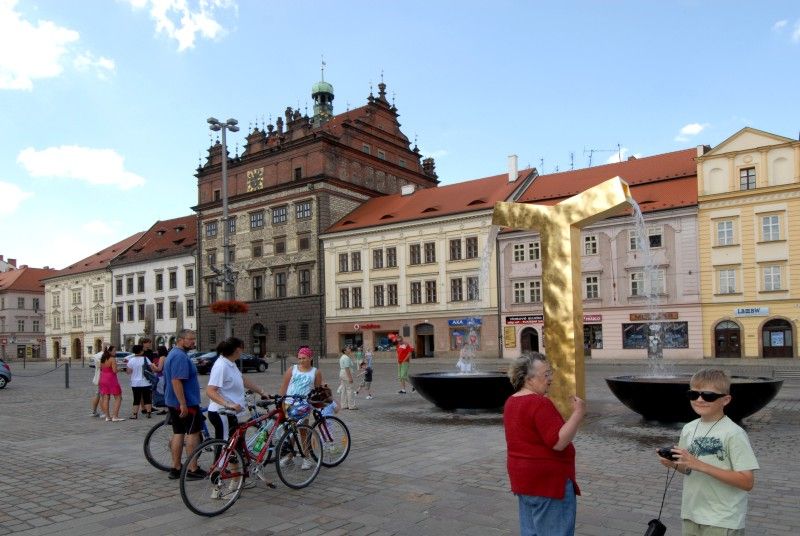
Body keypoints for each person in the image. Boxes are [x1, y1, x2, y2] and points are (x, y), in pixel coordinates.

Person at [657, 368, 759, 535]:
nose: (700, 400)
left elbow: (747, 482)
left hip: (723, 519)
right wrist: (672, 463)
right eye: (693, 395)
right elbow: (688, 468)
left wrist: (700, 465)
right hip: (691, 514)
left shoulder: (734, 433)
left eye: (708, 396)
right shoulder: (689, 428)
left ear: (725, 400)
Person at [504, 352, 585, 536]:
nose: (550, 379)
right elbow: (558, 442)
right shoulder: (539, 403)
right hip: (548, 485)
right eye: (546, 374)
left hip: (524, 481)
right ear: (529, 379)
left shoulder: (511, 401)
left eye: (550, 373)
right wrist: (578, 414)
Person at [163, 329, 206, 480]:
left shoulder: (174, 354)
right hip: (186, 402)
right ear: (180, 340)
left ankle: (176, 468)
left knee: (178, 433)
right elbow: (176, 380)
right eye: (190, 339)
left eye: (194, 339)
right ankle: (193, 468)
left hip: (173, 401)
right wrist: (183, 403)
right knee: (193, 433)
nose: (193, 342)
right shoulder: (179, 356)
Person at [98, 346, 126, 422]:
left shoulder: (102, 359)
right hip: (111, 379)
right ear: (110, 351)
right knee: (118, 397)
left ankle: (107, 416)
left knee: (106, 398)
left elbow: (100, 368)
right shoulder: (112, 359)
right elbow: (114, 371)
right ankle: (115, 416)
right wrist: (119, 369)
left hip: (103, 378)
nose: (115, 352)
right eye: (114, 350)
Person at [125, 344, 154, 419]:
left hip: (135, 383)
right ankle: (148, 413)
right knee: (147, 398)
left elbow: (128, 372)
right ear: (141, 351)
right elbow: (151, 368)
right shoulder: (145, 359)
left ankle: (135, 414)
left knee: (136, 399)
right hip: (146, 382)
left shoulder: (131, 360)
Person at [89, 349, 105, 418]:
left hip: (98, 377)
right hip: (103, 378)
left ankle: (94, 411)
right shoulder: (104, 356)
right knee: (102, 395)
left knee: (98, 394)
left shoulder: (97, 356)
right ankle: (104, 412)